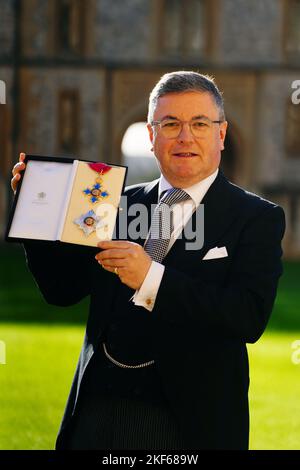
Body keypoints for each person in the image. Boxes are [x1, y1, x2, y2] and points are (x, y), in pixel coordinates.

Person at [11, 71, 285, 450]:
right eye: (170, 124)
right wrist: (34, 215)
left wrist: (151, 277)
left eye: (200, 124)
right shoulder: (114, 203)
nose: (185, 136)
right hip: (95, 411)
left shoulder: (256, 217)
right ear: (152, 135)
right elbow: (62, 291)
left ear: (220, 134)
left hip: (186, 423)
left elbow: (246, 316)